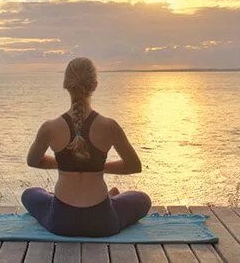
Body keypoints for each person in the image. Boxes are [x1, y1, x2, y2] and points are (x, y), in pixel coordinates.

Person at [21, 57, 151, 237]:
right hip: (103, 223)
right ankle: (111, 198)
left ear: (66, 84)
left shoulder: (49, 127)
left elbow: (33, 161)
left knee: (29, 194)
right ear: (95, 85)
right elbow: (134, 166)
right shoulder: (109, 126)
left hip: (60, 222)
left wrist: (66, 165)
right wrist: (95, 167)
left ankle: (55, 199)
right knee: (143, 199)